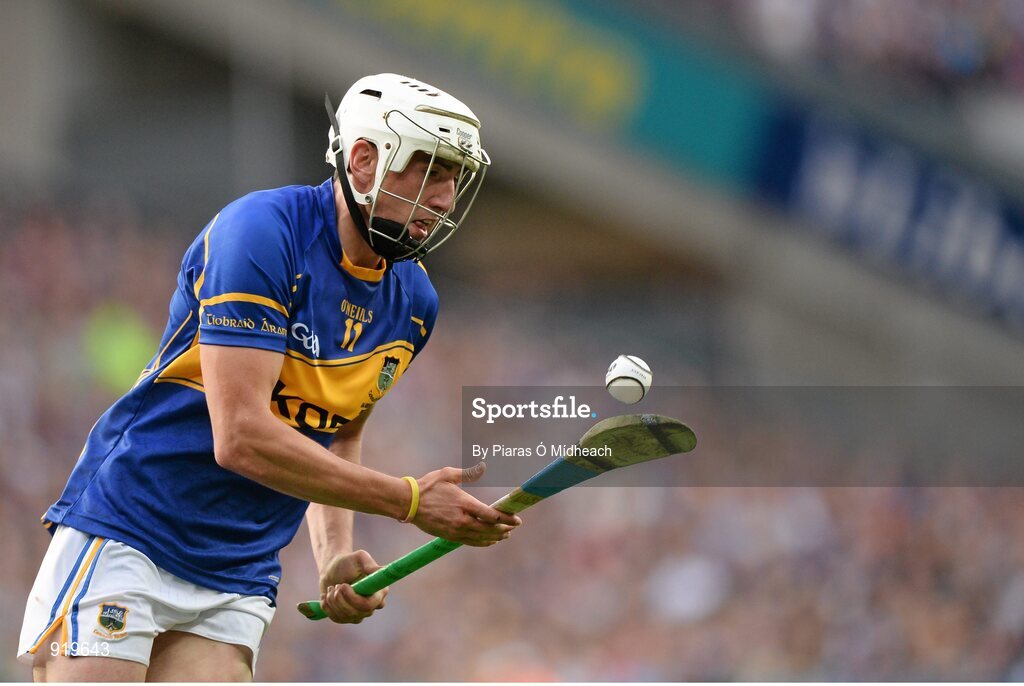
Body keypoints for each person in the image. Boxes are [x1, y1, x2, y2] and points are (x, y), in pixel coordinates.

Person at [18, 73, 520, 682]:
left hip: (239, 571)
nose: (444, 198)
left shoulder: (414, 301)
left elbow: (336, 429)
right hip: (133, 530)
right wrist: (409, 502)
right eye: (431, 170)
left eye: (455, 178)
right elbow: (241, 437)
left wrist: (334, 553)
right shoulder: (261, 232)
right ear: (364, 158)